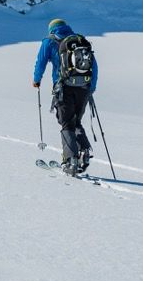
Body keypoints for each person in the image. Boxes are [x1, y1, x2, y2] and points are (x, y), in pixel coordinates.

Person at [32, 18, 98, 175]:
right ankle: (84, 152)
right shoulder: (80, 41)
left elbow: (40, 62)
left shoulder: (49, 41)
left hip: (63, 87)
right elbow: (94, 66)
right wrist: (91, 88)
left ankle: (70, 161)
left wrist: (36, 80)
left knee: (67, 123)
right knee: (76, 121)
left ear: (52, 29)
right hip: (83, 88)